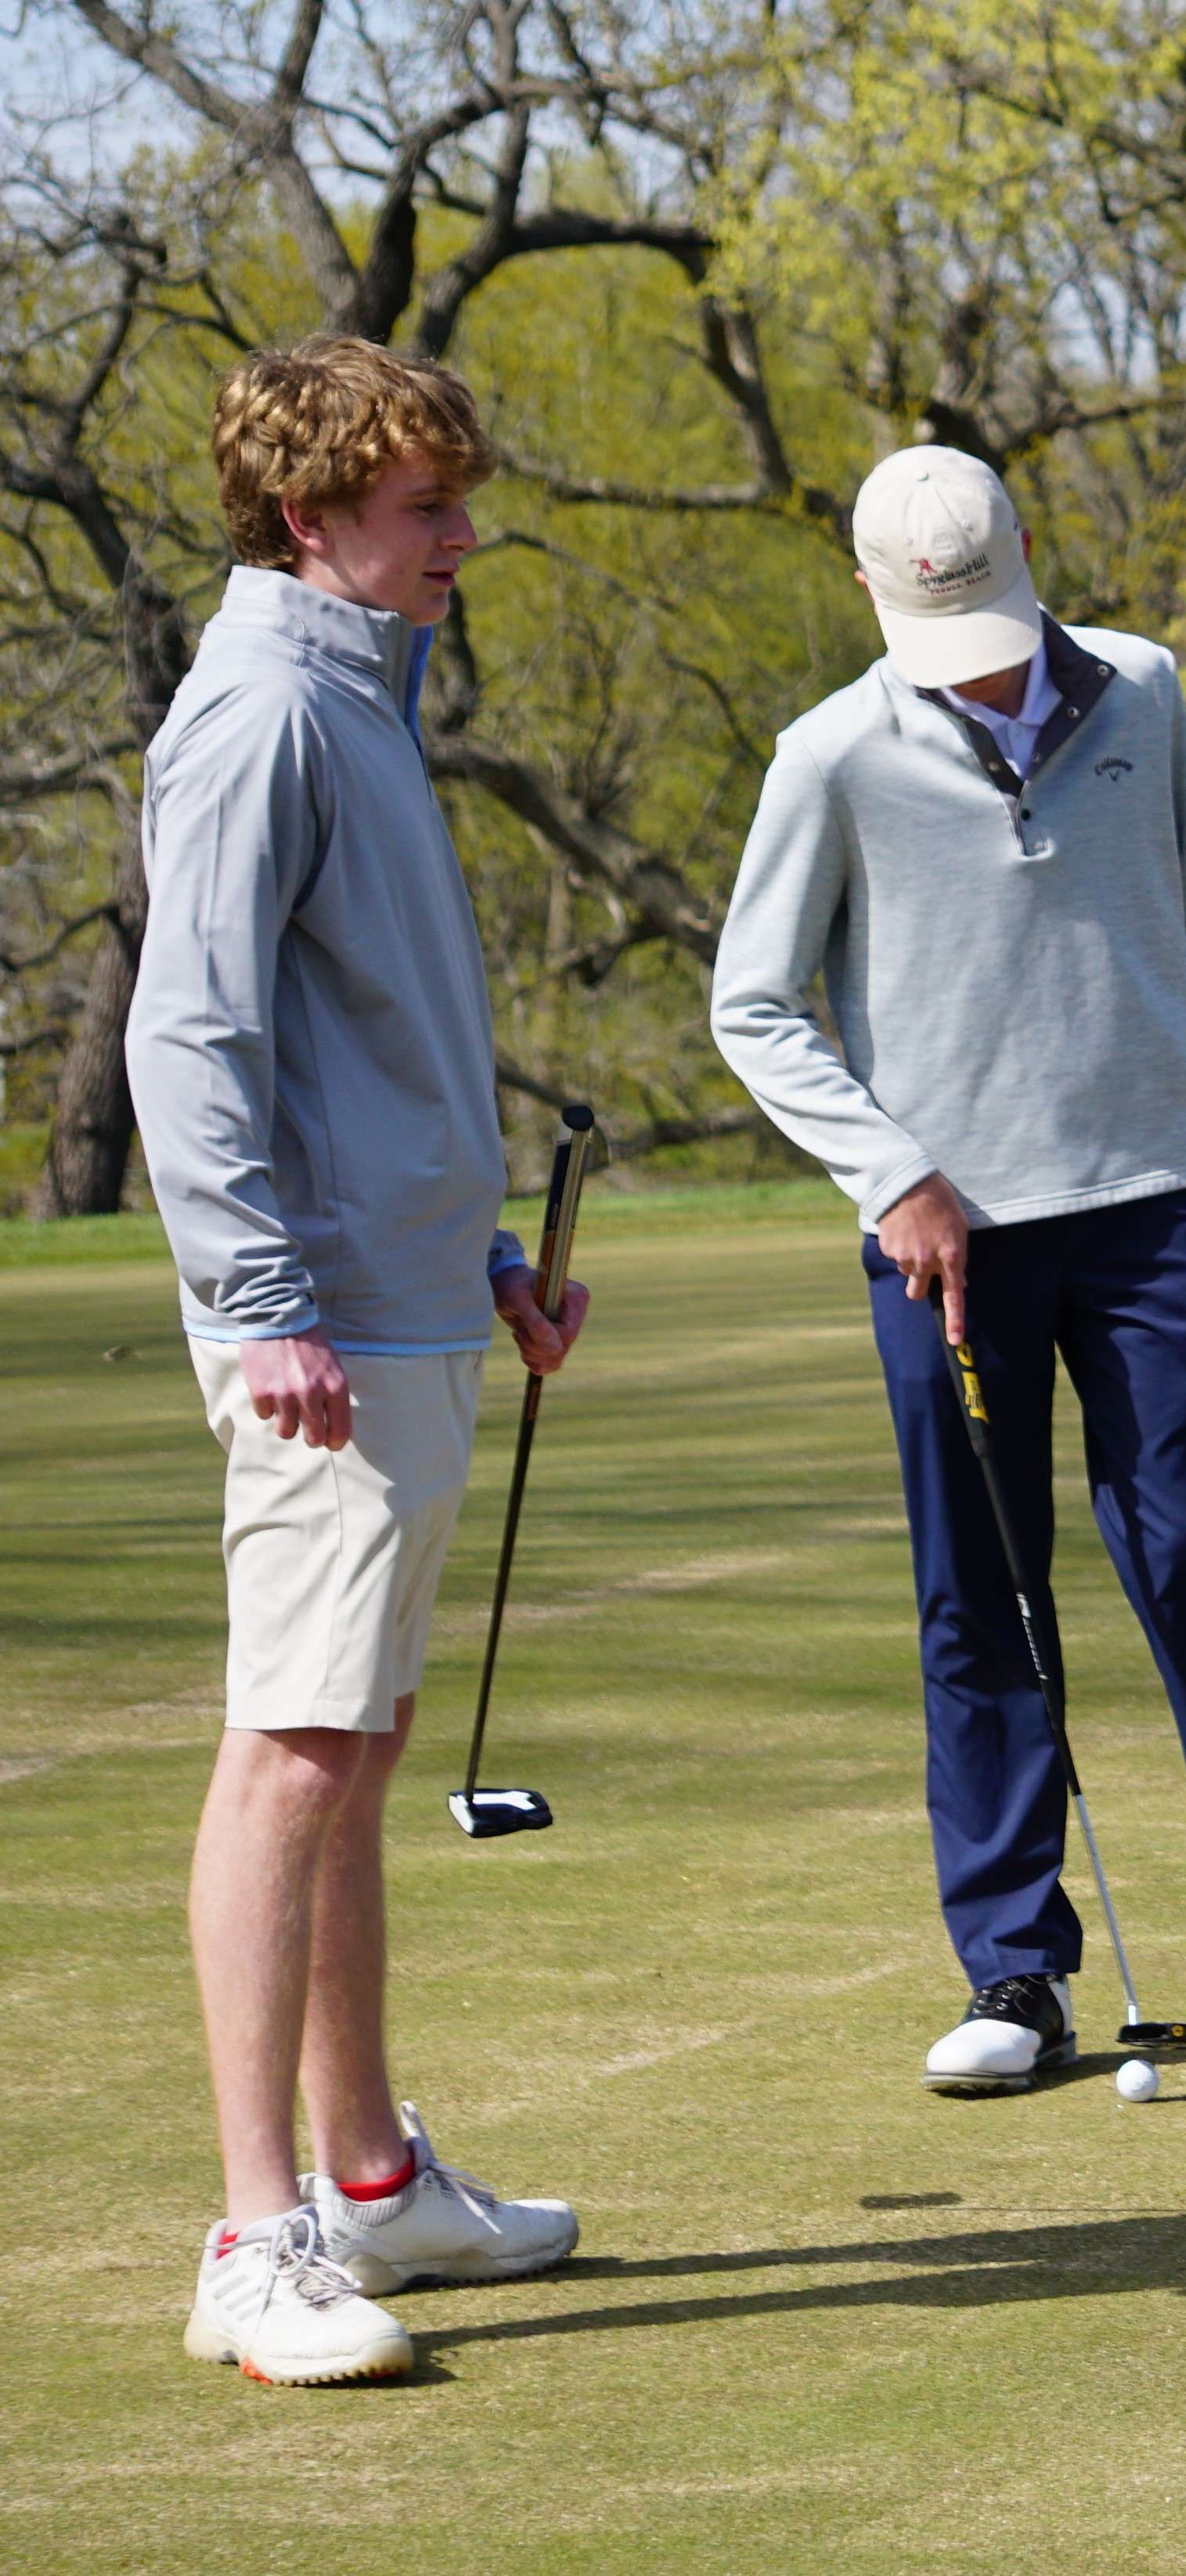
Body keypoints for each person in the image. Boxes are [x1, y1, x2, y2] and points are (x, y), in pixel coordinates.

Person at [711, 446, 1186, 2092]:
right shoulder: (828, 755)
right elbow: (755, 1006)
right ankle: (1013, 1972)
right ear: (868, 592)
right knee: (977, 1599)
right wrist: (890, 1171)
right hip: (948, 1245)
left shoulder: (1144, 691)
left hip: (1151, 1207)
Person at [132, 337, 590, 2385]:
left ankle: (376, 2186)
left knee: (363, 1747)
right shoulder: (257, 719)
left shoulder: (360, 701)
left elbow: (361, 1049)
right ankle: (256, 2237)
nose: (460, 543)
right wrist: (261, 1301)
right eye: (425, 511)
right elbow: (189, 1040)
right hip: (314, 1327)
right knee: (293, 1750)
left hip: (398, 1303)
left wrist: (485, 1251)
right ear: (312, 518)